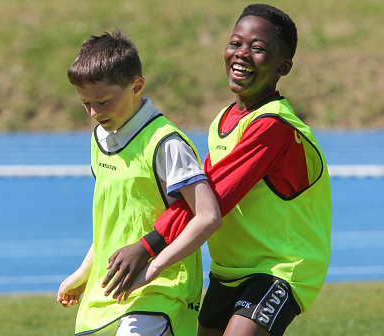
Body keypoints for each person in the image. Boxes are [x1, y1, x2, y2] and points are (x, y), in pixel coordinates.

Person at [103, 4, 332, 336]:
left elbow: (218, 197)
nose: (241, 54)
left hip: (278, 269)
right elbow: (201, 192)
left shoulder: (273, 126)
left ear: (284, 66)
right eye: (236, 43)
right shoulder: (224, 120)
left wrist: (150, 245)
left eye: (258, 49)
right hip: (228, 270)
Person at [56, 31, 221, 336]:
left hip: (161, 292)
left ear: (136, 86)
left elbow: (208, 216)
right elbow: (114, 223)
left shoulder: (166, 143)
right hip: (113, 290)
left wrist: (155, 268)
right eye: (85, 103)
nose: (94, 113)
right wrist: (84, 272)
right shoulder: (100, 139)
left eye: (103, 101)